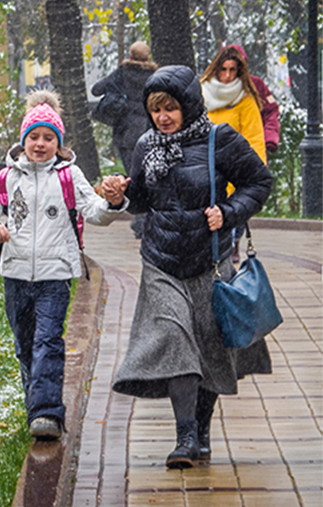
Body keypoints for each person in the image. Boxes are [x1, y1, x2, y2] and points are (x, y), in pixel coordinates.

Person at [104, 65, 273, 469]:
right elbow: (141, 200)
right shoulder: (147, 144)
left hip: (209, 260)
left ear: (189, 105)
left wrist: (228, 212)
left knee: (210, 349)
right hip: (161, 261)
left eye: (170, 108)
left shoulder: (219, 139)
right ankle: (184, 437)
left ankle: (201, 430)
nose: (162, 117)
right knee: (176, 340)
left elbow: (258, 182)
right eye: (155, 109)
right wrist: (119, 196)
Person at [0, 90, 128, 440]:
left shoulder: (69, 176)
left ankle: (46, 413)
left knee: (48, 341)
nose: (40, 144)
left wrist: (113, 202)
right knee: (26, 345)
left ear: (58, 143)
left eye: (48, 138)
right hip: (15, 274)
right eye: (34, 137)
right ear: (23, 139)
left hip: (55, 275)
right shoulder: (7, 178)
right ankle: (36, 402)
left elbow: (95, 213)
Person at [201, 45, 269, 263]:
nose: (228, 75)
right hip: (203, 162)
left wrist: (257, 166)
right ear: (216, 69)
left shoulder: (245, 99)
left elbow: (254, 135)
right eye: (223, 69)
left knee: (234, 207)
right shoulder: (201, 92)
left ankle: (231, 246)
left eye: (233, 70)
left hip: (233, 164)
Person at [92, 41, 158, 240]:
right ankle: (147, 220)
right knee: (149, 176)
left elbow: (96, 89)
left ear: (130, 56)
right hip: (149, 132)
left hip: (126, 133)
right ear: (148, 57)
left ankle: (141, 221)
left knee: (132, 176)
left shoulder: (122, 73)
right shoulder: (154, 77)